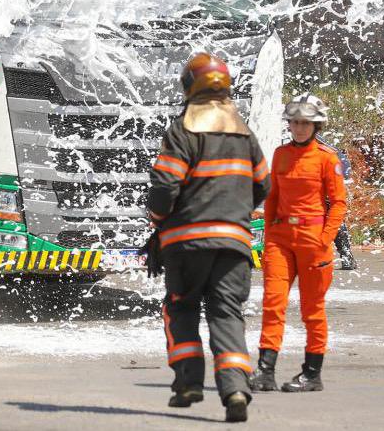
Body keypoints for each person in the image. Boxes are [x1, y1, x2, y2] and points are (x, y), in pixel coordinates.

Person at [146, 53, 270, 423]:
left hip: (186, 245)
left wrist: (157, 219)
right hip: (234, 244)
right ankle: (234, 390)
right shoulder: (245, 134)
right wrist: (235, 211)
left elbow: (164, 188)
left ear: (189, 87)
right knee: (227, 314)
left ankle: (188, 384)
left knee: (181, 308)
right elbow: (262, 184)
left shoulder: (182, 130)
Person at [248, 92, 347, 393]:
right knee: (272, 303)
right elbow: (273, 196)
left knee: (312, 309)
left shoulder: (328, 158)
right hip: (280, 239)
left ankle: (311, 374)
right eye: (295, 122)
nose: (300, 128)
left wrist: (324, 240)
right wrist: (268, 233)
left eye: (306, 123)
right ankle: (265, 372)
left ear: (317, 126)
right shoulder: (280, 154)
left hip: (312, 239)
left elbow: (339, 203)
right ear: (288, 124)